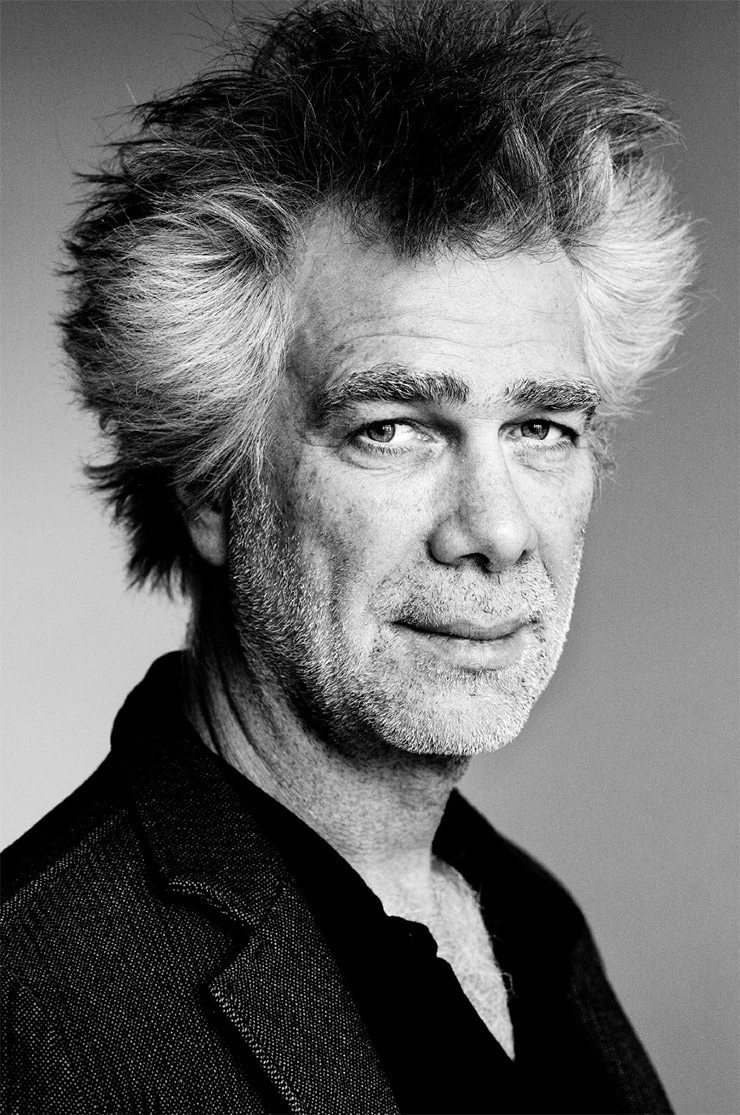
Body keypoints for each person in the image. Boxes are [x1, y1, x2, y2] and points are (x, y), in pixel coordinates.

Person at [1, 1, 696, 1112]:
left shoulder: (533, 922)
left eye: (541, 427)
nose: (496, 530)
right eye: (393, 428)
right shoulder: (31, 997)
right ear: (210, 483)